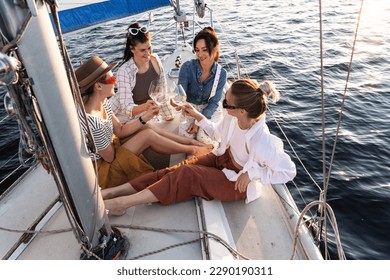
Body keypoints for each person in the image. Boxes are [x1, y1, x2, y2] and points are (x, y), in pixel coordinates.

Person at [102, 78, 296, 216]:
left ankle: (122, 203)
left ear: (242, 111)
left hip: (237, 181)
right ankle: (114, 191)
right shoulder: (232, 117)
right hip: (222, 158)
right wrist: (197, 116)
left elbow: (288, 171)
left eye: (226, 103)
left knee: (188, 174)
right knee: (175, 170)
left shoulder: (262, 141)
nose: (224, 105)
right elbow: (217, 134)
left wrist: (253, 174)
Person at [75, 55, 213, 189]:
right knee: (147, 135)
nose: (115, 81)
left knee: (146, 127)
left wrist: (144, 117)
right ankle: (193, 149)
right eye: (111, 79)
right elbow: (110, 157)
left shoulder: (102, 102)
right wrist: (136, 140)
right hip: (105, 170)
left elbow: (120, 131)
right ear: (98, 86)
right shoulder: (93, 123)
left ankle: (190, 142)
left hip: (111, 149)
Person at [110, 22, 175, 123]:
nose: (148, 53)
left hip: (149, 112)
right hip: (125, 117)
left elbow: (163, 95)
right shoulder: (124, 72)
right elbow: (127, 108)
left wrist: (169, 116)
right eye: (142, 50)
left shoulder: (155, 60)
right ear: (132, 49)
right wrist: (146, 107)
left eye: (149, 48)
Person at [176, 26, 227, 147]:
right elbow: (181, 93)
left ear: (214, 49)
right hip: (190, 107)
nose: (200, 54)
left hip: (210, 108)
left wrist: (198, 122)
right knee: (185, 135)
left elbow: (214, 102)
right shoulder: (187, 67)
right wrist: (177, 101)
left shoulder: (222, 74)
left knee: (204, 137)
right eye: (197, 50)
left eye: (204, 50)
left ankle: (206, 156)